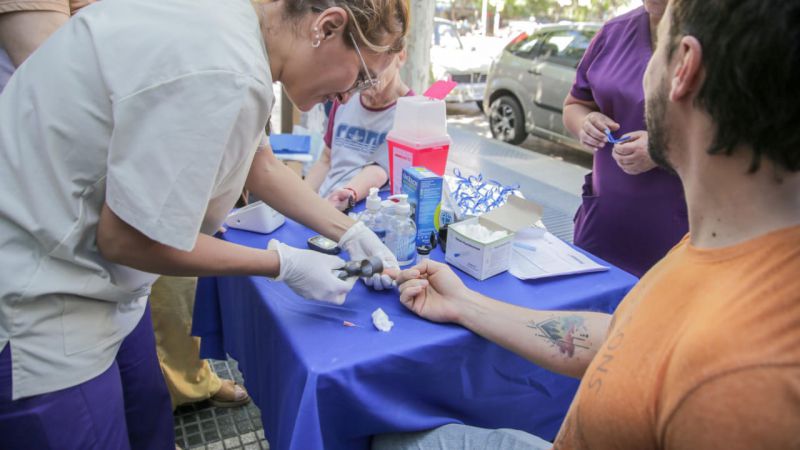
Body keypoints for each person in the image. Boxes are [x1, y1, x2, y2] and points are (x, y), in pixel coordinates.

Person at [376, 0, 800, 448]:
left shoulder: (751, 380)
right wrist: (466, 305)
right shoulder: (717, 245)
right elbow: (623, 340)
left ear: (684, 68)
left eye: (660, 44)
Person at [0, 0, 408, 449]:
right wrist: (282, 263)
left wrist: (349, 231)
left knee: (148, 420)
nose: (351, 96)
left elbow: (261, 165)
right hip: (41, 295)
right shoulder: (226, 68)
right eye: (363, 75)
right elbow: (128, 238)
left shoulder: (236, 31)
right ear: (327, 27)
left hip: (103, 286)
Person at [562, 0, 687, 278]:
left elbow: (746, 142)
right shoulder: (613, 32)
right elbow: (574, 105)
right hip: (604, 225)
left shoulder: (720, 40)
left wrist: (660, 149)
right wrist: (585, 122)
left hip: (675, 232)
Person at [305, 49, 411, 210]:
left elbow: (380, 170)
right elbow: (326, 159)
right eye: (361, 67)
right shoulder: (344, 100)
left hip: (365, 210)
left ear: (400, 56)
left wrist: (347, 194)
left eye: (374, 67)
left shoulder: (412, 112)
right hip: (324, 204)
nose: (364, 79)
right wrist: (302, 197)